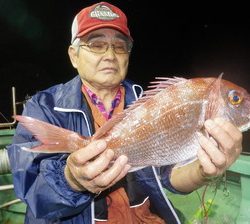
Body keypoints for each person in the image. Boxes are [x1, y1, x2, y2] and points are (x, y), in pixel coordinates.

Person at [7, 1, 242, 224]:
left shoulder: (146, 104)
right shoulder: (43, 107)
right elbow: (31, 191)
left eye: (119, 46)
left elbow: (167, 179)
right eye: (96, 44)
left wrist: (204, 170)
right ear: (74, 55)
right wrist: (71, 180)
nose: (110, 55)